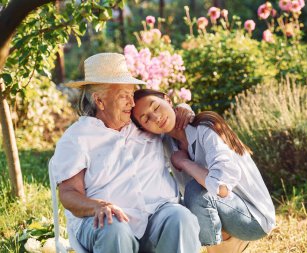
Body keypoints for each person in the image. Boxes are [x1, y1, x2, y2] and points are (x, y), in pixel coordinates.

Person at [50, 53, 201, 253]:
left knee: (181, 217)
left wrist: (181, 110)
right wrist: (98, 206)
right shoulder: (78, 137)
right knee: (115, 228)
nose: (132, 103)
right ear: (100, 101)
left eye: (132, 94)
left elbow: (168, 119)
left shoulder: (143, 123)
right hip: (105, 223)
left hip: (157, 215)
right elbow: (68, 194)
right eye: (123, 96)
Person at [131, 89, 276, 253]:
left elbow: (220, 187)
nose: (156, 118)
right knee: (173, 210)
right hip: (227, 209)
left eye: (156, 107)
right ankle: (225, 241)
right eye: (146, 119)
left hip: (253, 219)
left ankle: (222, 246)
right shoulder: (165, 143)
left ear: (167, 100)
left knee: (195, 190)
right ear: (144, 128)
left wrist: (184, 162)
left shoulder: (206, 127)